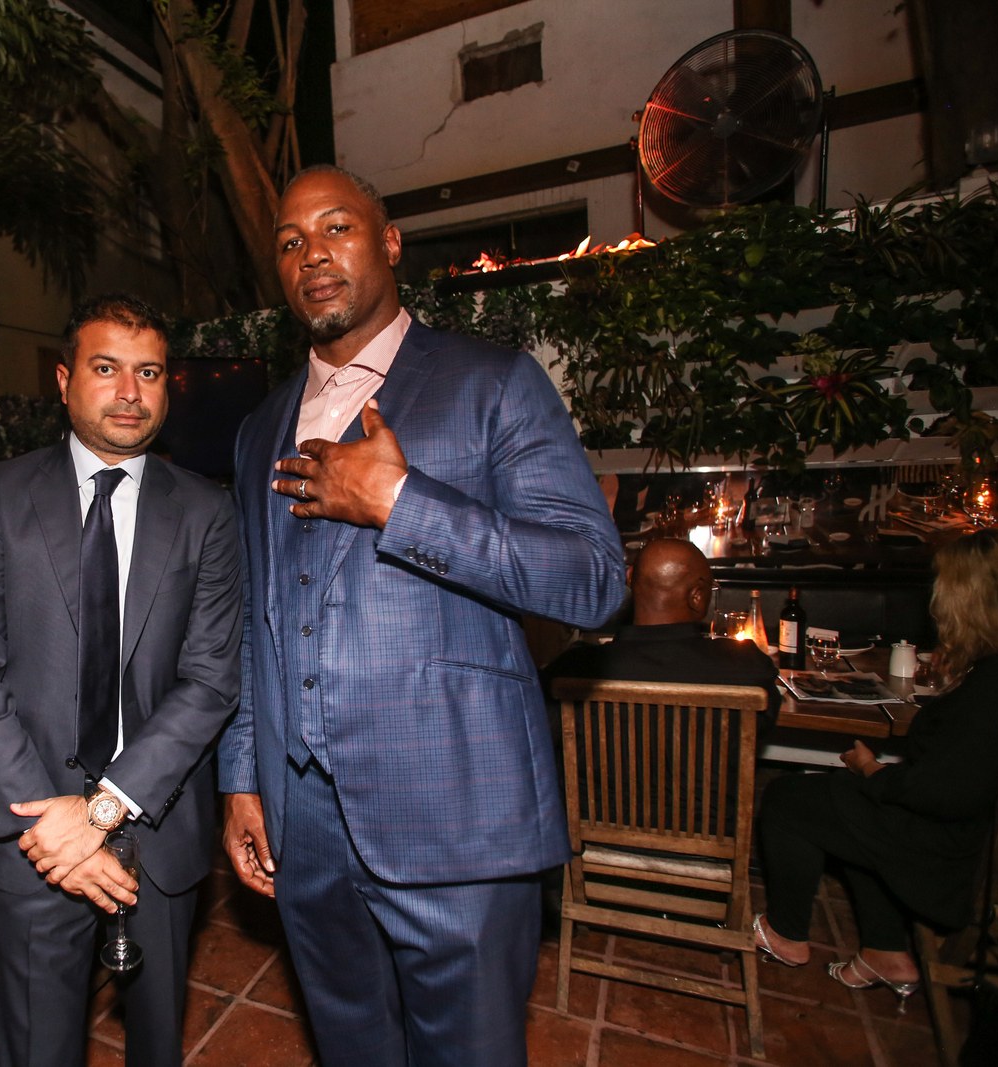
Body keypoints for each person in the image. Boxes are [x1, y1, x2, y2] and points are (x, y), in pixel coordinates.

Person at [218, 165, 625, 1066]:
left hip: (456, 815)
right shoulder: (258, 431)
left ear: (391, 241)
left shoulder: (494, 382)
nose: (312, 254)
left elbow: (594, 579)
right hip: (304, 826)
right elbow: (255, 617)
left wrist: (404, 504)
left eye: (337, 227)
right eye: (290, 242)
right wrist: (243, 777)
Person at [0, 294, 242, 1067]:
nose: (129, 391)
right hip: (34, 835)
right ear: (64, 379)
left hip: (158, 829)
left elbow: (211, 679)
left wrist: (103, 809)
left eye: (149, 372)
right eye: (106, 368)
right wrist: (56, 830)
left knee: (156, 1046)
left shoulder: (207, 512)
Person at [753, 529, 998, 1008]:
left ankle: (786, 933)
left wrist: (873, 771)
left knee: (789, 800)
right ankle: (885, 951)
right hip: (983, 844)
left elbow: (940, 793)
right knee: (846, 802)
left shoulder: (995, 686)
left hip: (959, 862)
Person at [541, 538, 780, 717]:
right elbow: (764, 724)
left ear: (630, 577)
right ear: (697, 596)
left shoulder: (574, 667)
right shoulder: (747, 667)